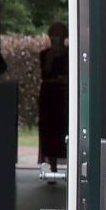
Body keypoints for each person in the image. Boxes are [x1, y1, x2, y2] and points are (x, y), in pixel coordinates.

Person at [38, 21, 69, 173]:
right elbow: (45, 74)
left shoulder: (71, 54)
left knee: (65, 127)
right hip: (49, 95)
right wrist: (51, 57)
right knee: (49, 129)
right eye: (54, 34)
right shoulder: (44, 54)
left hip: (64, 95)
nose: (56, 37)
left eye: (59, 34)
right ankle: (53, 165)